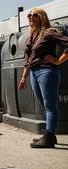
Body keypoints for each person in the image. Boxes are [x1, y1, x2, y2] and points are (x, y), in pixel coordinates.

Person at [18, 8, 68, 148]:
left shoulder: (49, 32)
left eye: (35, 15)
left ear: (42, 17)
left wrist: (58, 61)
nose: (31, 17)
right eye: (29, 15)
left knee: (50, 106)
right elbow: (28, 60)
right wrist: (23, 78)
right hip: (34, 73)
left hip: (47, 72)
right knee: (45, 105)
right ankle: (50, 135)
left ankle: (49, 137)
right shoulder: (31, 36)